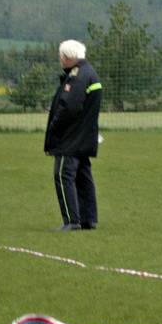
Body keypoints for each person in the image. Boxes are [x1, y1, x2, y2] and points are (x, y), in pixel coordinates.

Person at [44, 39, 103, 231]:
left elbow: (69, 106)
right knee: (83, 176)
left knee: (63, 175)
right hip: (85, 136)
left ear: (69, 57)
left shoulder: (77, 76)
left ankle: (72, 220)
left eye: (61, 56)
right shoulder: (90, 72)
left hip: (70, 138)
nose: (60, 60)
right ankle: (89, 219)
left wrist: (54, 125)